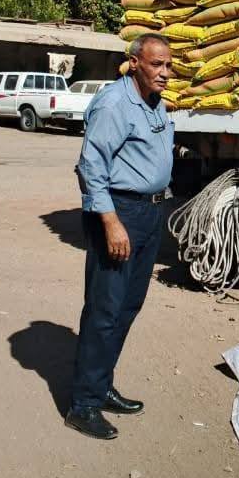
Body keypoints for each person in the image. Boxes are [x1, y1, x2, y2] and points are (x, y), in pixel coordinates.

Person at [66, 33, 174, 440]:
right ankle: (83, 405)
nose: (165, 72)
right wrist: (111, 222)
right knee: (105, 309)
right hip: (119, 212)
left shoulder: (155, 103)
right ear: (134, 63)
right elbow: (91, 166)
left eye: (168, 65)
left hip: (148, 213)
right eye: (157, 64)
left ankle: (101, 384)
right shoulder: (114, 104)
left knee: (128, 306)